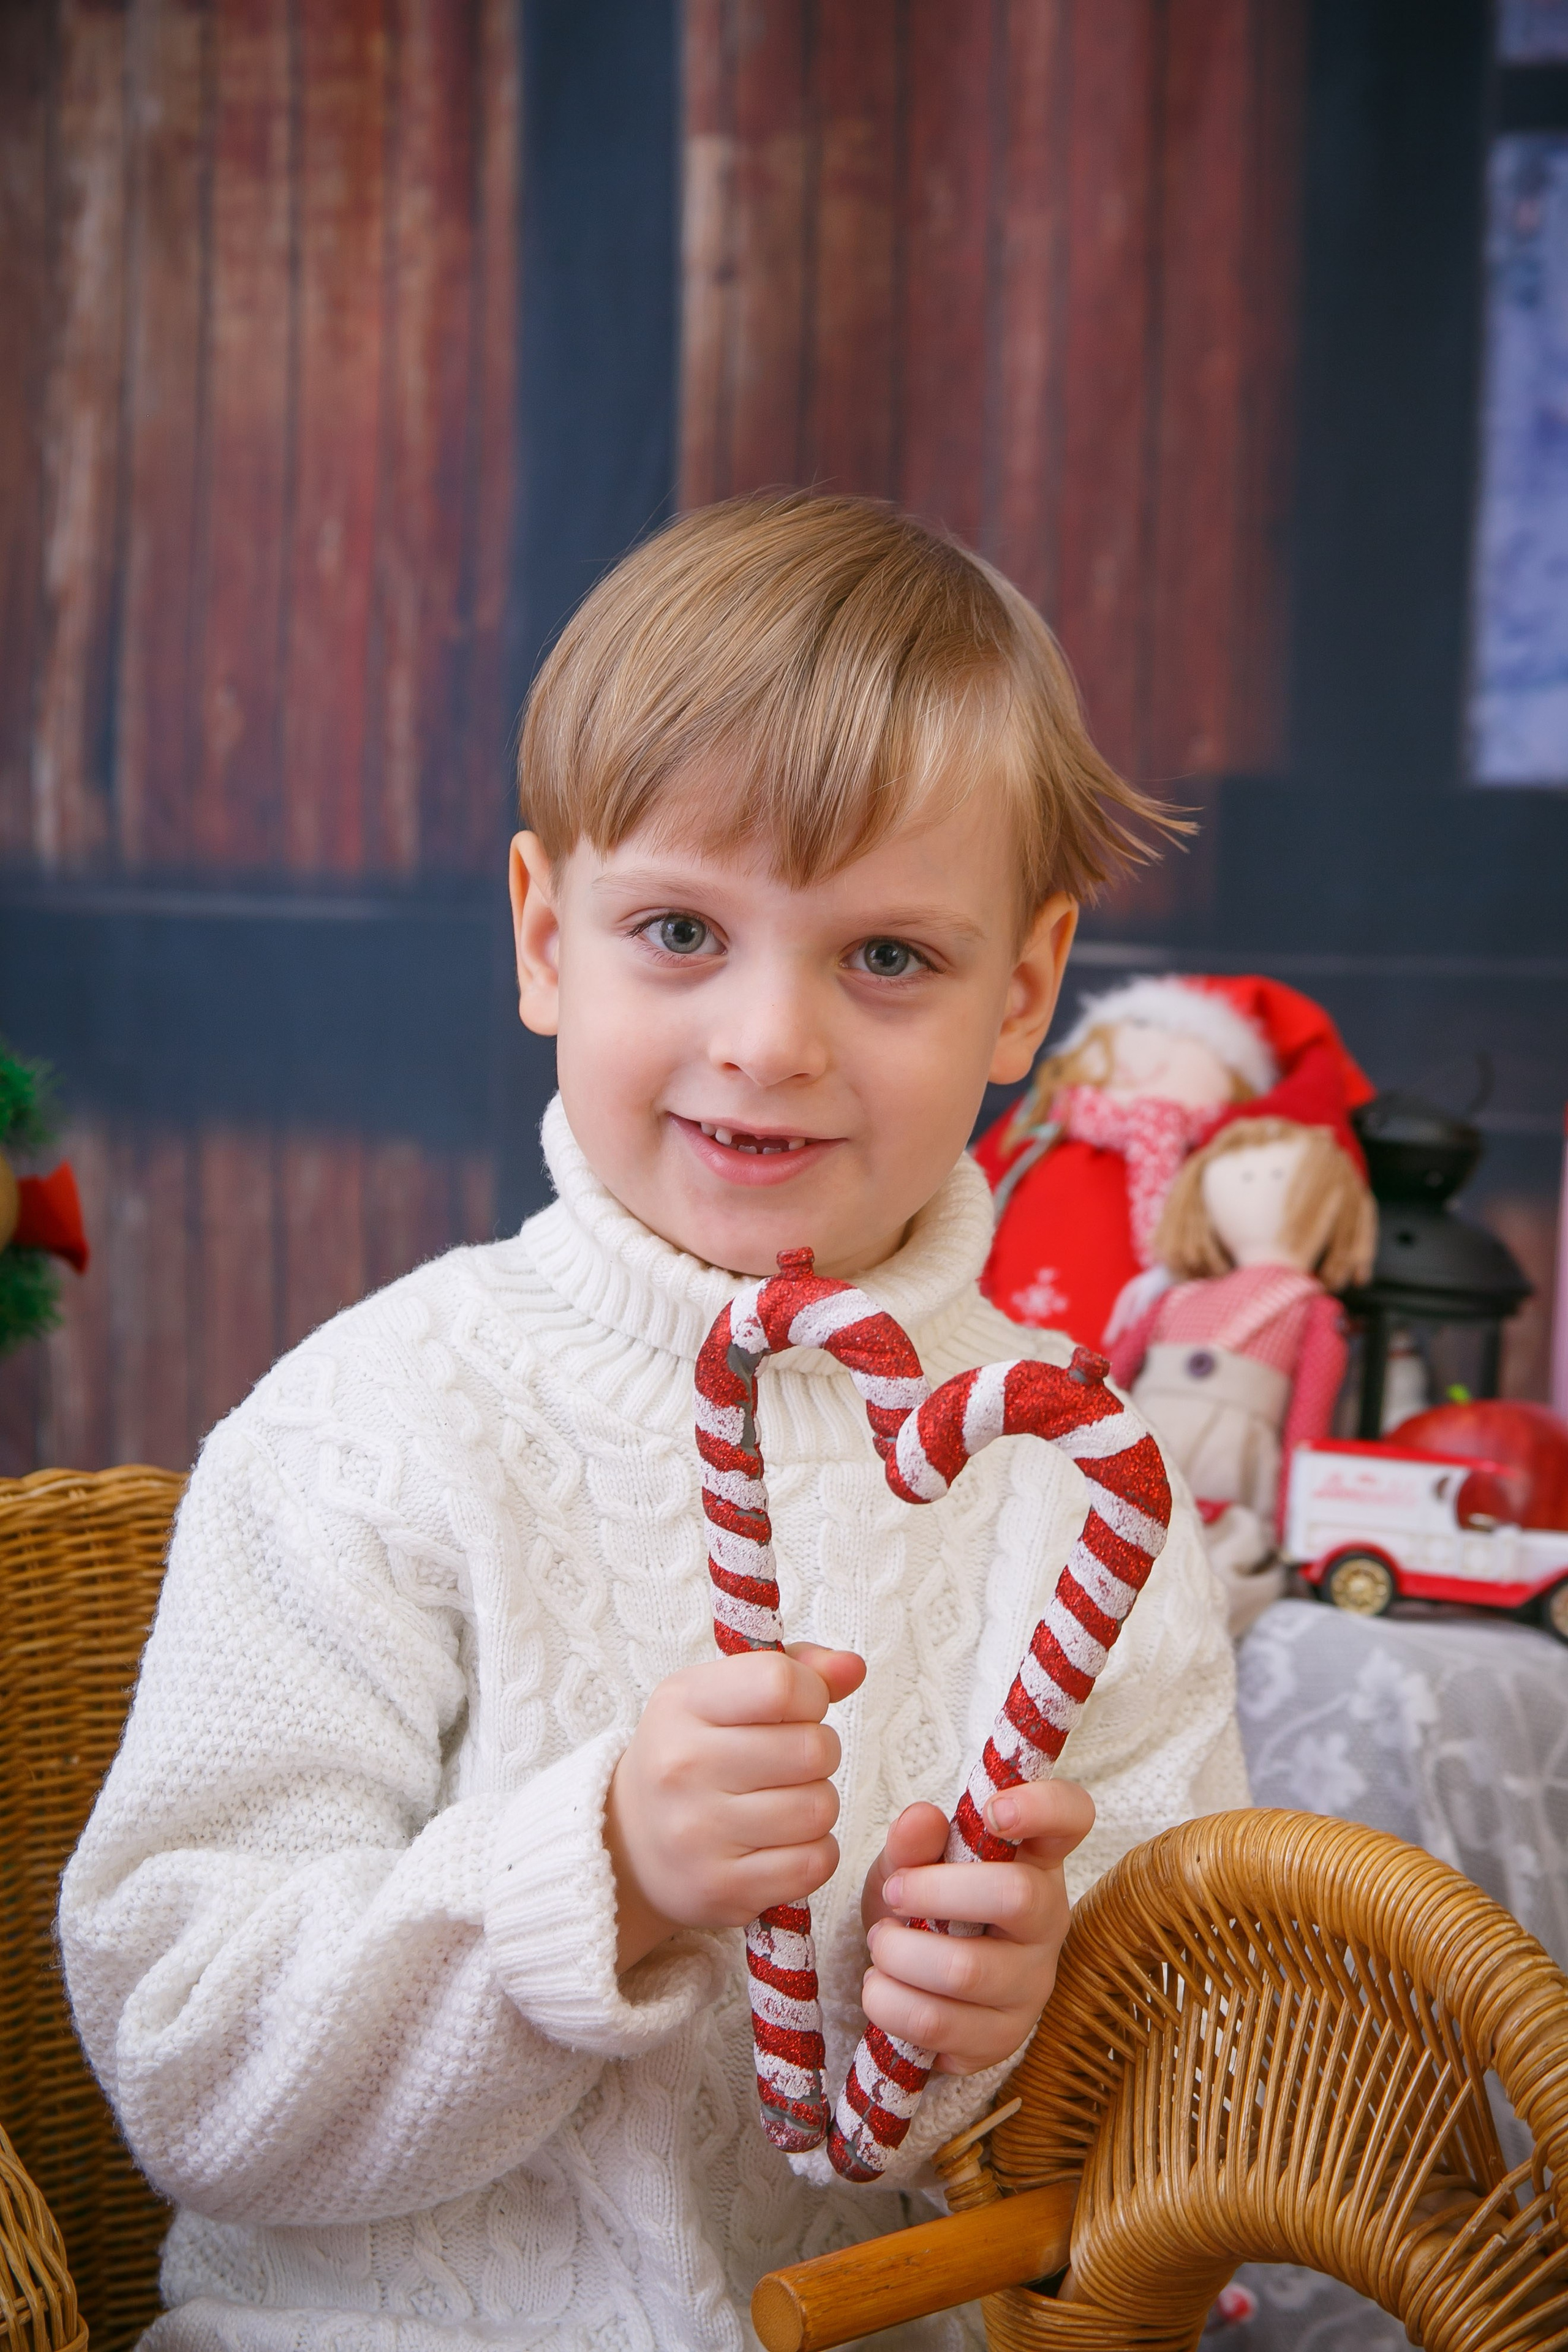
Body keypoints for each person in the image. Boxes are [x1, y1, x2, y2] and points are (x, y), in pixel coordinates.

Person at [59, 495, 1247, 2352]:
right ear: (546, 937)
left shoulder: (1073, 1482)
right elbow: (186, 2056)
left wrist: (1029, 2009)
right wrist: (591, 1868)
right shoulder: (378, 1421)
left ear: (1023, 989)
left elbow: (1191, 2096)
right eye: (680, 927)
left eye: (886, 958)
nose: (768, 1037)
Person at [974, 973, 1374, 1352]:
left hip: (1144, 1366)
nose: (1144, 1049)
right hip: (994, 1335)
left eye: (1167, 1034)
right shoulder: (1043, 1127)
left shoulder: (1215, 1163)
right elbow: (981, 1186)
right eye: (1137, 1028)